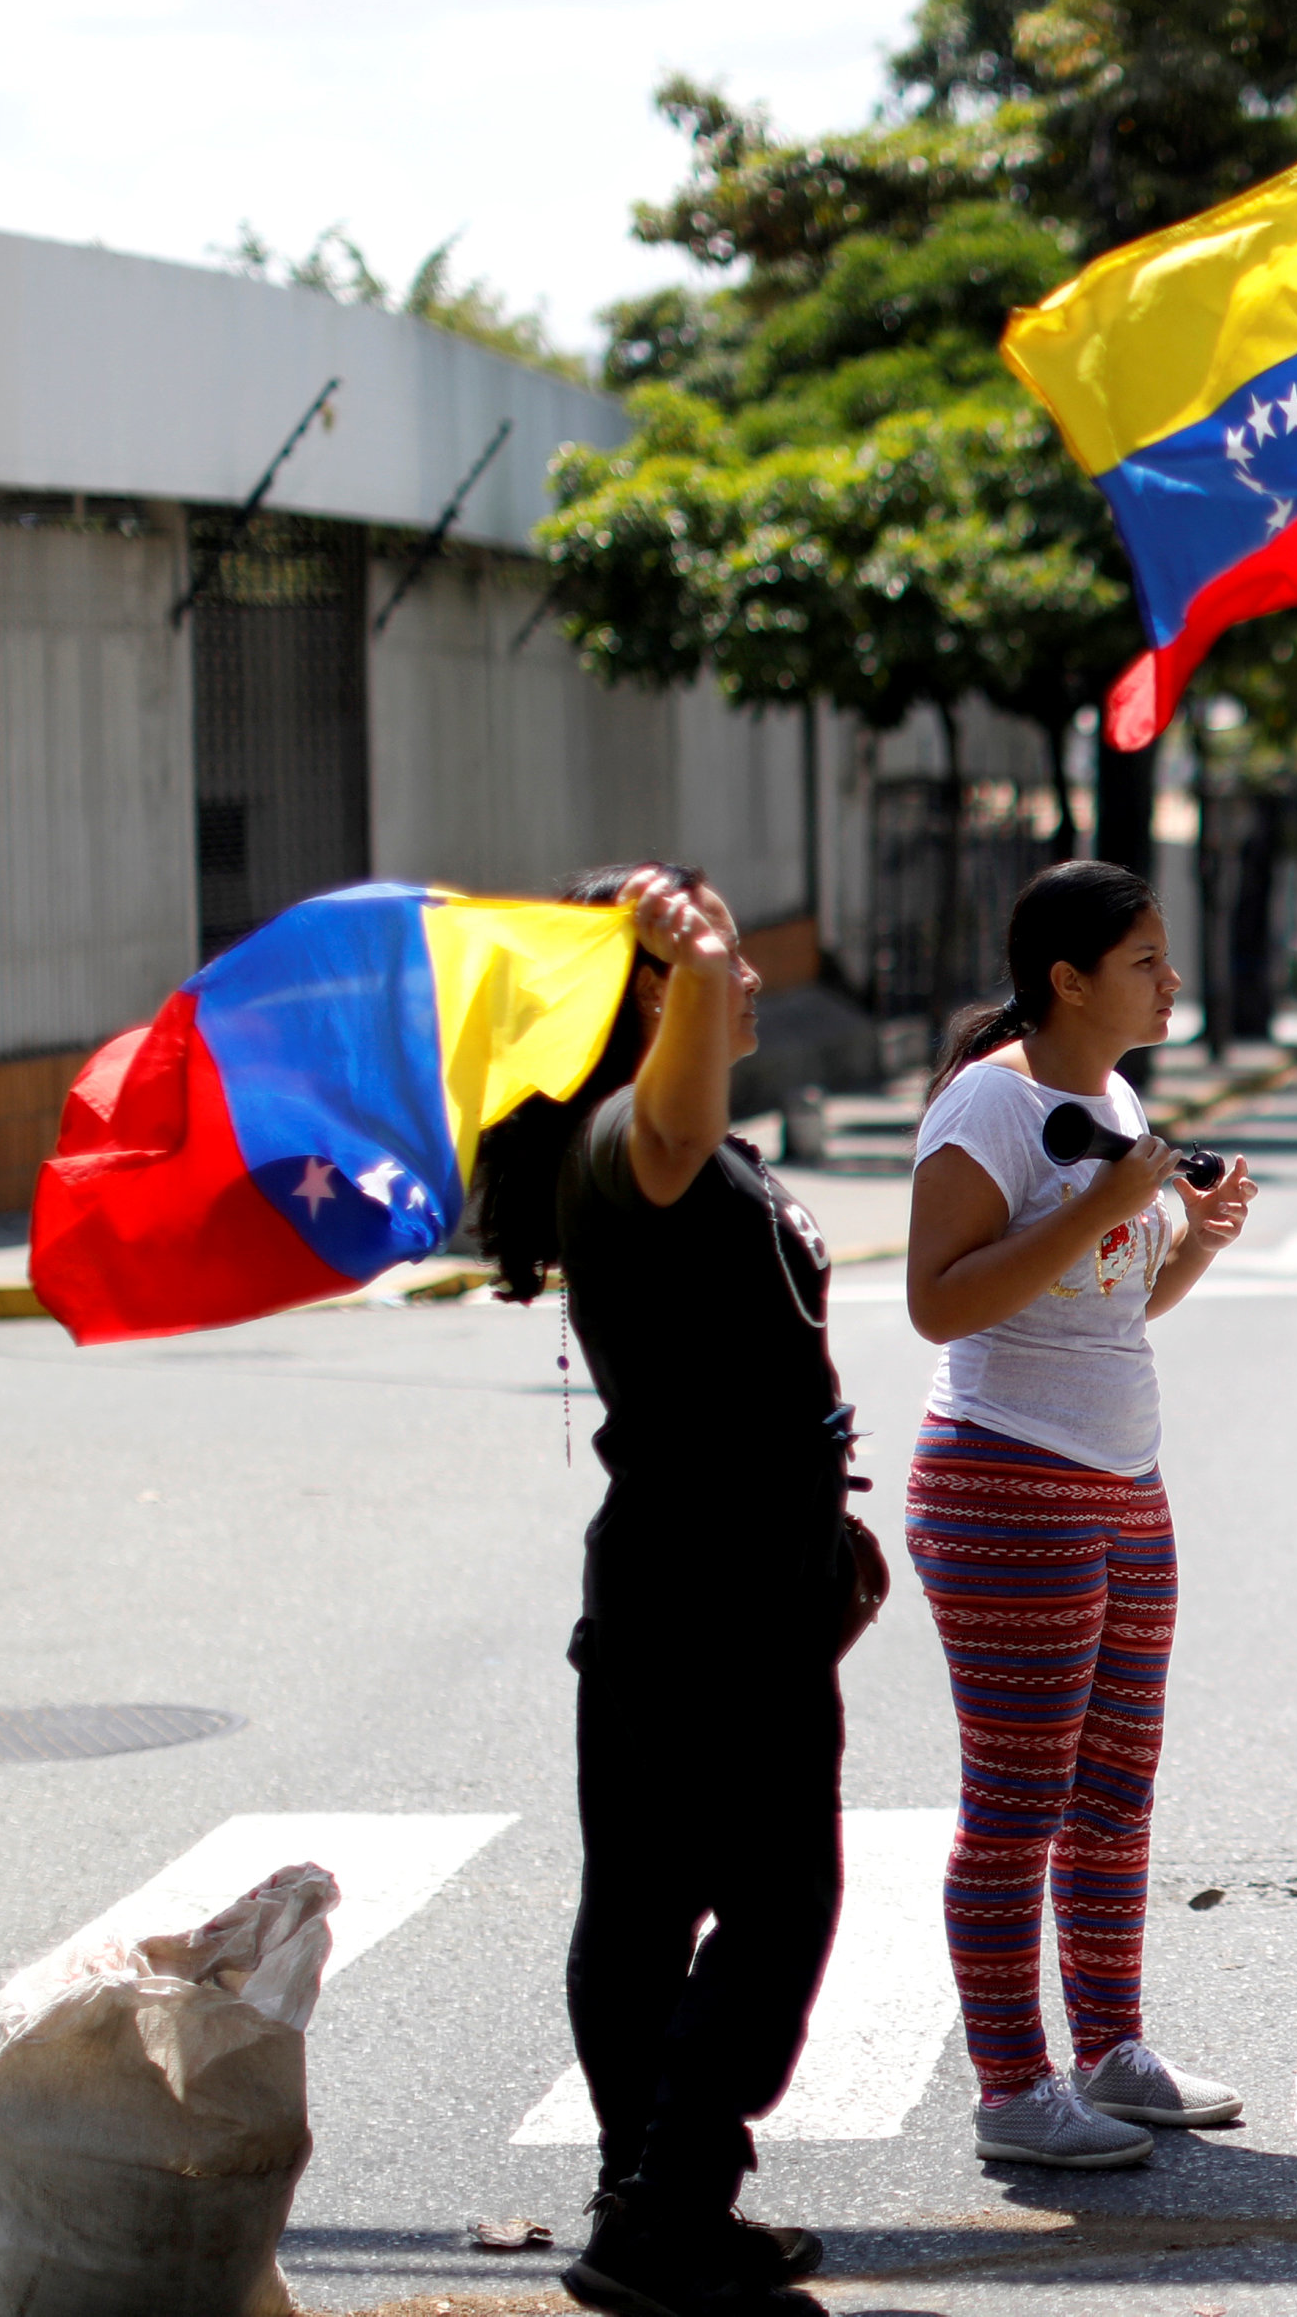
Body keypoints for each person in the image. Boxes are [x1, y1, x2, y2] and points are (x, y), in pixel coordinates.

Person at [471, 863, 881, 2317]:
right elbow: (674, 1118)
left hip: (721, 1565)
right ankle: (665, 2196)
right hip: (708, 1584)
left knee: (649, 1904)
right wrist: (693, 962)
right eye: (718, 957)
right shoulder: (627, 1144)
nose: (755, 971)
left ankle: (649, 2196)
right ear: (646, 991)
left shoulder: (679, 1151)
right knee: (779, 1901)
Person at [900, 860, 1260, 2170]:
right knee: (1018, 1795)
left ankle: (1112, 2049)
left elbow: (1110, 1303)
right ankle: (1012, 2082)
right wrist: (1115, 1203)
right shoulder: (988, 1103)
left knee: (1116, 1784)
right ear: (1069, 977)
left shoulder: (1107, 1093)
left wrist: (1191, 1240)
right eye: (1147, 962)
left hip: (1123, 1473)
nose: (1173, 981)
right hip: (1005, 1474)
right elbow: (940, 1302)